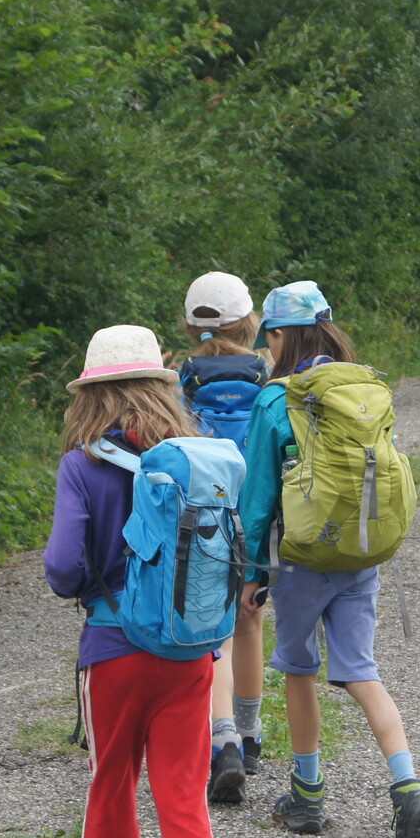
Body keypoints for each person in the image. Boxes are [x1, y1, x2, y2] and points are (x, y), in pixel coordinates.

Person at [43, 325, 237, 838]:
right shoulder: (195, 456)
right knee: (183, 795)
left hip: (113, 650)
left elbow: (63, 567)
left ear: (89, 395)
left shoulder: (82, 466)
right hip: (189, 652)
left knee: (112, 780)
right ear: (161, 386)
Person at [237, 281, 420, 838]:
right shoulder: (364, 388)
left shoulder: (277, 400)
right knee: (360, 670)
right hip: (361, 552)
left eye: (270, 339)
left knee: (298, 666)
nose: (268, 349)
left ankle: (307, 794)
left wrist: (252, 572)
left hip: (304, 558)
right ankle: (408, 787)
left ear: (282, 334)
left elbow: (258, 496)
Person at [175, 272, 269, 804]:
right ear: (249, 321)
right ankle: (251, 736)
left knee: (213, 629)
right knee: (250, 619)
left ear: (190, 326)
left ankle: (222, 735)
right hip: (254, 515)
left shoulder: (179, 380)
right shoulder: (266, 375)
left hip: (202, 517)